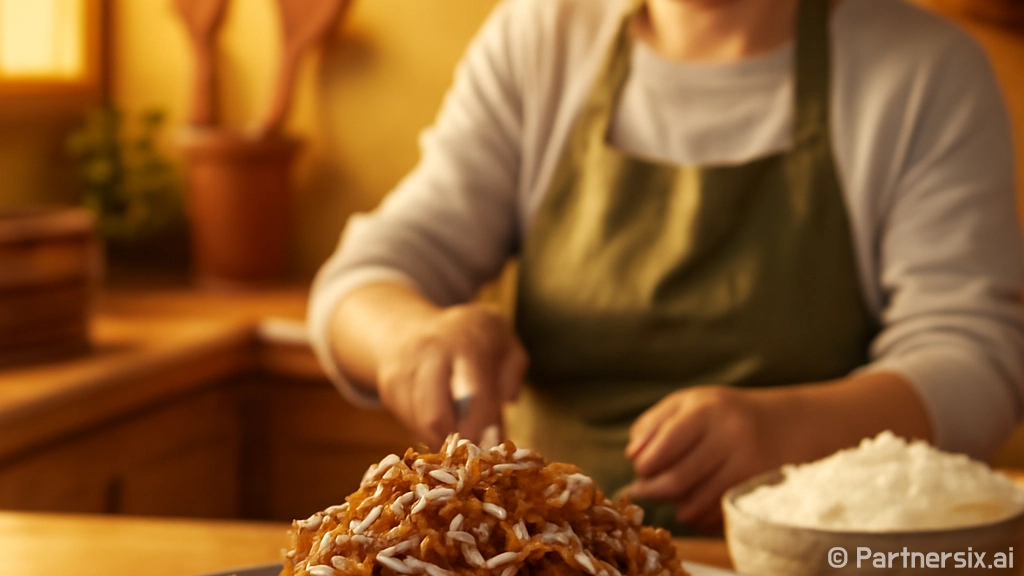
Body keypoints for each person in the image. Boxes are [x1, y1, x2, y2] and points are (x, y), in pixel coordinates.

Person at [308, 0, 1024, 532]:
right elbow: (364, 277)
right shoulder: (539, 39)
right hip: (540, 551)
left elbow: (978, 355)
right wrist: (411, 338)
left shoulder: (924, 72)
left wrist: (790, 433)